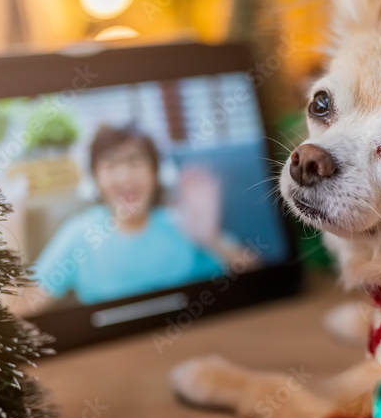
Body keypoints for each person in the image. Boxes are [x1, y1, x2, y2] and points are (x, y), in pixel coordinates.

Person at [33, 125, 249, 305]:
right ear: (96, 180)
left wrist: (211, 239)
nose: (125, 175)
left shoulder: (184, 224)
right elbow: (22, 304)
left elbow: (258, 278)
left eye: (135, 162)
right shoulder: (79, 233)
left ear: (155, 174)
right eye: (111, 165)